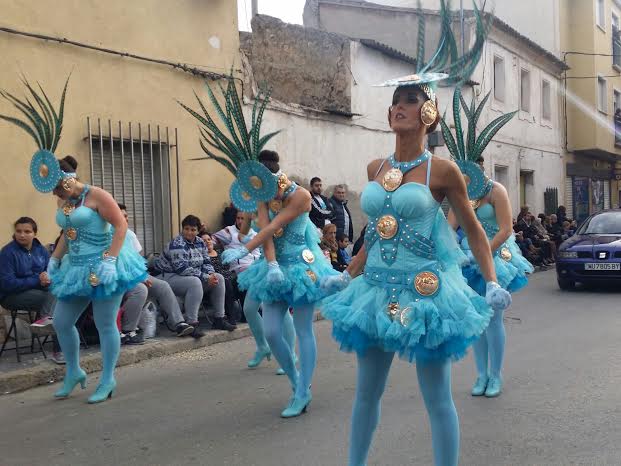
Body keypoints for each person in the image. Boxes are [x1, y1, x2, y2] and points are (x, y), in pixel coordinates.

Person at [319, 5, 511, 463]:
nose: (399, 109)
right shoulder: (375, 167)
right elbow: (375, 232)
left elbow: (474, 232)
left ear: (428, 113)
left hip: (425, 294)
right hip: (374, 292)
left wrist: (491, 281)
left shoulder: (442, 171)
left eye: (409, 102)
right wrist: (349, 273)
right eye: (395, 103)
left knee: (436, 396)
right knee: (366, 394)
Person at [222, 150, 339, 418]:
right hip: (274, 267)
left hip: (301, 267)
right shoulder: (263, 193)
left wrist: (243, 249)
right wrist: (272, 265)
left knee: (303, 329)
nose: (265, 195)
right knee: (272, 332)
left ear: (278, 179)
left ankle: (302, 390)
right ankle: (296, 382)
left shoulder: (301, 196)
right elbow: (267, 234)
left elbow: (273, 225)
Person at [443, 88, 534, 399]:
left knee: (492, 317)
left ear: (480, 165)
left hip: (496, 255)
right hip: (468, 260)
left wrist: (483, 256)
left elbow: (507, 229)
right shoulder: (461, 194)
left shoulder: (496, 191)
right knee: (475, 319)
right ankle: (480, 374)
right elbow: (449, 227)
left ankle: (495, 375)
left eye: (470, 169)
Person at [117, 204, 195, 343]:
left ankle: (179, 324)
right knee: (140, 289)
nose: (126, 219)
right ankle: (128, 331)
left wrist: (142, 275)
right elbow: (116, 263)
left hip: (137, 274)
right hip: (119, 278)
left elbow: (137, 259)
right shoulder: (108, 235)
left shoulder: (129, 235)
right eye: (123, 216)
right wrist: (139, 277)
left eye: (127, 216)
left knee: (163, 286)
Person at [154, 215, 236, 332]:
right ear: (182, 229)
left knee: (219, 278)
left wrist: (211, 274)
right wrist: (206, 277)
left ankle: (219, 319)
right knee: (195, 282)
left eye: (193, 230)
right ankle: (192, 323)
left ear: (198, 231)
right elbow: (182, 269)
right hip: (167, 276)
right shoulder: (177, 243)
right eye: (186, 229)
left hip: (189, 276)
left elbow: (206, 261)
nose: (189, 232)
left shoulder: (200, 243)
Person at [0, 217, 63, 363]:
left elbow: (49, 272)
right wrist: (37, 280)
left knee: (61, 294)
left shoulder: (41, 250)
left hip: (39, 292)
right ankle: (59, 349)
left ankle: (47, 321)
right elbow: (7, 284)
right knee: (55, 301)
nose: (22, 235)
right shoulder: (7, 252)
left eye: (27, 231)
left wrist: (48, 278)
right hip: (11, 296)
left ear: (34, 233)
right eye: (18, 231)